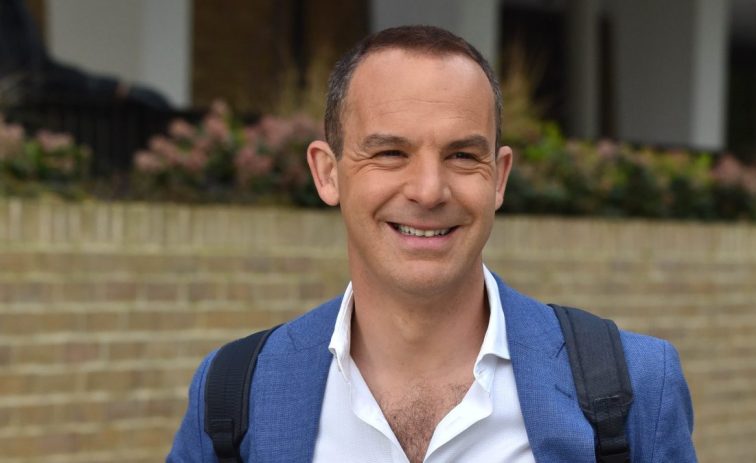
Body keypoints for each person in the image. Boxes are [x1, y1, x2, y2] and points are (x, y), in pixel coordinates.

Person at [168, 25, 696, 462]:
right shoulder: (233, 395)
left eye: (463, 156)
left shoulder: (634, 388)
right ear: (327, 174)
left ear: (499, 178)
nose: (427, 190)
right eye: (391, 153)